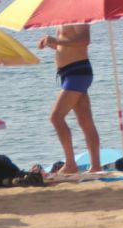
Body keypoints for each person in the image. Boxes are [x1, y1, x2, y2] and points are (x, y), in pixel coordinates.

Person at [38, 24, 101, 174]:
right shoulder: (64, 20)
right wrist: (51, 43)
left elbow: (84, 40)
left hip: (77, 72)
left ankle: (71, 164)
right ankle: (96, 166)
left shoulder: (79, 18)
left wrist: (57, 41)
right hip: (68, 73)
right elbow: (68, 45)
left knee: (56, 117)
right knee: (85, 120)